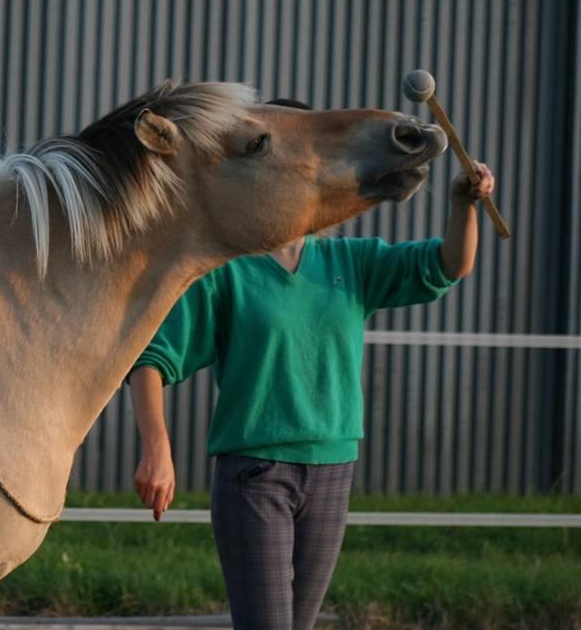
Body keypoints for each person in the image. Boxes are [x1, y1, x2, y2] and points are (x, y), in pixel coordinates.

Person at [127, 98, 495, 630]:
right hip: (256, 474)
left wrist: (463, 204)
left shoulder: (351, 261)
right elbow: (153, 357)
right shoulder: (228, 270)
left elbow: (447, 266)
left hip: (333, 470)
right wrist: (157, 451)